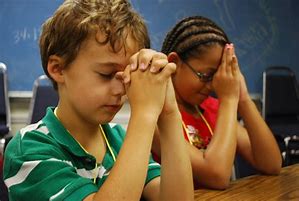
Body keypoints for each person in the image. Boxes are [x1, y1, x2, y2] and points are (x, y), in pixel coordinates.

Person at [3, 1, 194, 200]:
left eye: (126, 76)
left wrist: (168, 112)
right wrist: (144, 114)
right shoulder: (29, 149)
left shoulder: (119, 139)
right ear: (58, 69)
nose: (121, 89)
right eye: (106, 74)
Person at [151, 16, 282, 190]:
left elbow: (271, 164)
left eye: (218, 75)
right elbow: (217, 176)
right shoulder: (155, 117)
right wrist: (228, 99)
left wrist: (242, 97)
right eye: (206, 75)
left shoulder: (212, 108)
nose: (213, 85)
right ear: (175, 63)